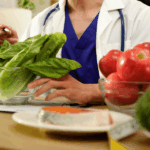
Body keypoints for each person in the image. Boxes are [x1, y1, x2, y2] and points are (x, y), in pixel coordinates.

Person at [1, 0, 150, 104]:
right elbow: (21, 88)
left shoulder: (141, 17)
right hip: (54, 126)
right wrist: (12, 53)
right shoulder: (40, 22)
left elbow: (145, 88)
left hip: (115, 131)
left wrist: (96, 92)